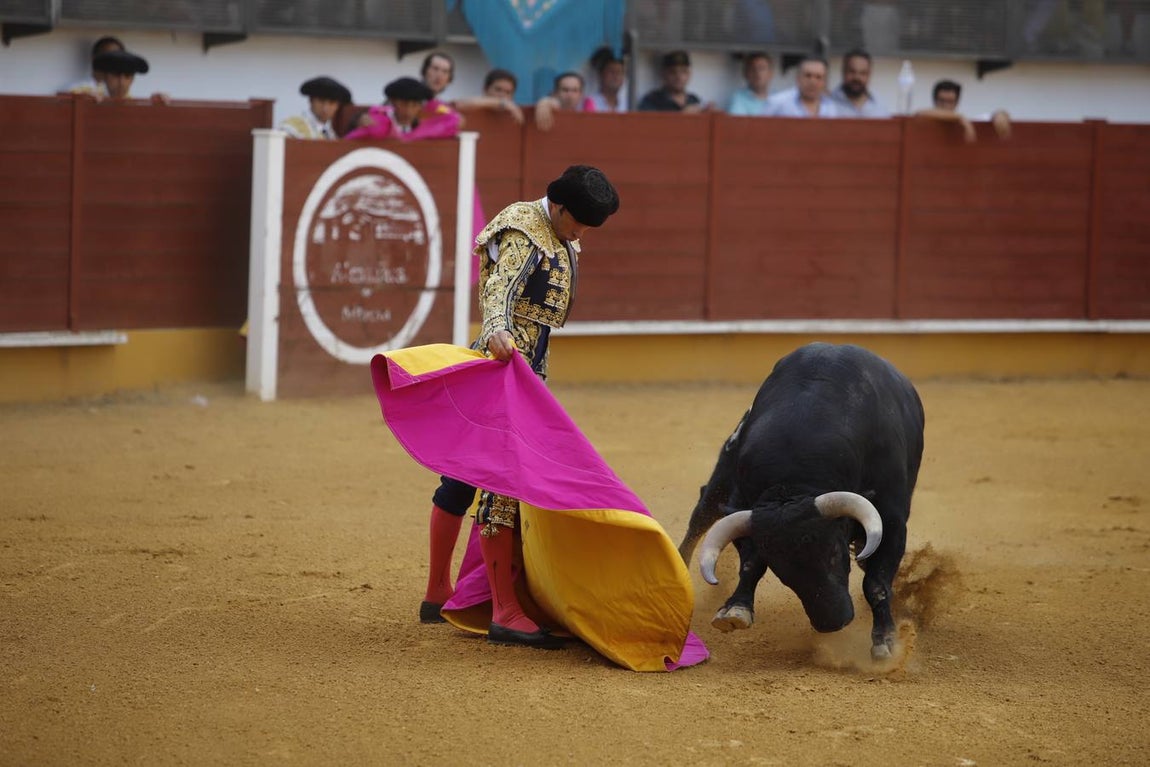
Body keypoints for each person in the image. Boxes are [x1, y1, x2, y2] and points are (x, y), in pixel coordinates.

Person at [421, 165, 620, 649]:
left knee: (465, 476)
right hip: (504, 364)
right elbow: (498, 289)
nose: (581, 234)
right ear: (559, 208)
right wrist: (496, 331)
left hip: (527, 367)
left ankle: (436, 593)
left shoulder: (558, 231)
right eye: (578, 223)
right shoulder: (524, 229)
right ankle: (506, 610)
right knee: (502, 482)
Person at [344, 77, 461, 142]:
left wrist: (434, 105)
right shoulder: (376, 124)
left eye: (414, 105)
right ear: (393, 102)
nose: (409, 110)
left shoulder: (426, 128)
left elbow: (457, 120)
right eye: (404, 104)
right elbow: (346, 143)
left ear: (421, 106)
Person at [916, 79, 1011, 143]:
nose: (945, 105)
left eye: (950, 102)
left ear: (957, 103)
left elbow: (994, 116)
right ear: (934, 101)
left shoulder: (966, 121)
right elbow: (919, 113)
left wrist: (1000, 114)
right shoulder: (926, 116)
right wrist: (959, 117)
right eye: (942, 101)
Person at [637, 50, 714, 113]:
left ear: (689, 74)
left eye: (683, 72)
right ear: (663, 74)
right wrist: (682, 115)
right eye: (673, 72)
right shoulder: (651, 101)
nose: (678, 77)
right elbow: (648, 128)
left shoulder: (693, 100)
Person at [764, 55, 840, 118]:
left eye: (818, 77)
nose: (812, 82)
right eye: (808, 76)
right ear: (798, 78)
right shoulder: (777, 102)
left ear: (825, 82)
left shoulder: (832, 107)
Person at [279, 76, 352, 139]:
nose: (325, 108)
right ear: (311, 101)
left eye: (331, 103)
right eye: (321, 101)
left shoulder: (332, 134)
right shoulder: (292, 126)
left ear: (337, 106)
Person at [830, 48, 890, 118]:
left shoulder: (879, 106)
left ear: (869, 75)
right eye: (852, 71)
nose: (857, 77)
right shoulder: (828, 103)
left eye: (863, 73)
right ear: (843, 72)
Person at [452, 68, 525, 125]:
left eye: (508, 92)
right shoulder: (475, 104)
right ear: (485, 89)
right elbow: (461, 104)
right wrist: (502, 103)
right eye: (498, 90)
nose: (502, 95)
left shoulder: (514, 112)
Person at [65, 36, 124, 100]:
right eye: (107, 56)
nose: (112, 61)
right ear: (94, 58)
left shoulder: (122, 93)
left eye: (117, 58)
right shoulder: (75, 90)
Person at [727, 51, 773, 116]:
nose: (757, 73)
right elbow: (737, 125)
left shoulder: (779, 98)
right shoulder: (738, 98)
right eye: (753, 69)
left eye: (762, 68)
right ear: (745, 74)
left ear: (770, 73)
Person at [588, 46, 628, 113]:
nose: (616, 76)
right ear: (601, 75)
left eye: (619, 72)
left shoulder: (627, 104)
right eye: (611, 72)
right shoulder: (592, 102)